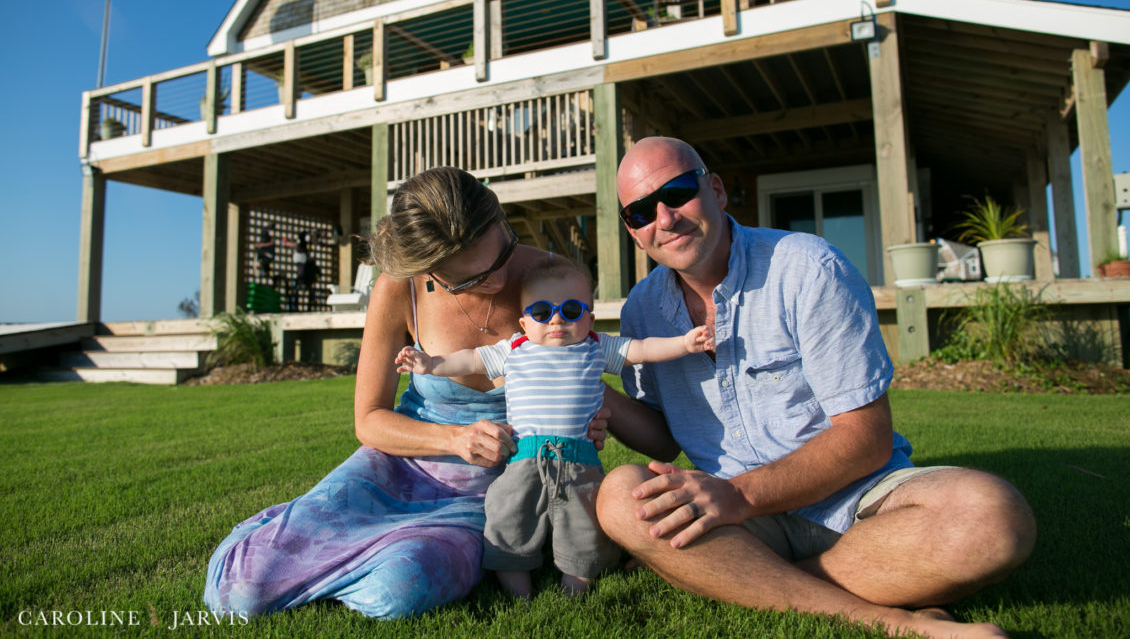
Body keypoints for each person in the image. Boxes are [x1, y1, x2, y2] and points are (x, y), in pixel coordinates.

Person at [595, 137, 1037, 639]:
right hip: (741, 519)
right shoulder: (641, 310)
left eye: (676, 192)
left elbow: (865, 438)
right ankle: (897, 618)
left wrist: (739, 495)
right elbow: (662, 439)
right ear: (633, 231)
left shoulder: (808, 268)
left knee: (994, 518)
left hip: (859, 500)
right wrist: (593, 388)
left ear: (715, 190)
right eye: (639, 212)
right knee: (620, 497)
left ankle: (735, 578)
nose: (664, 218)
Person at [204, 167, 605, 619]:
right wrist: (454, 439)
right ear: (428, 270)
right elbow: (369, 419)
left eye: (500, 257)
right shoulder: (400, 288)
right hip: (401, 464)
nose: (494, 282)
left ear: (499, 220)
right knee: (243, 592)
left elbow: (592, 378)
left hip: (499, 488)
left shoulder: (554, 282)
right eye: (468, 280)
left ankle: (372, 558)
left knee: (400, 591)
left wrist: (585, 418)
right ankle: (308, 533)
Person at [394, 256, 713, 599]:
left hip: (580, 459)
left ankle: (577, 581)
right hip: (523, 457)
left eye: (572, 310)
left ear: (589, 318)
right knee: (509, 517)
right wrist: (429, 364)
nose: (557, 319)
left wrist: (683, 344)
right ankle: (517, 585)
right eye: (542, 312)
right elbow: (469, 358)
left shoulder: (595, 346)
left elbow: (642, 348)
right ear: (523, 322)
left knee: (583, 525)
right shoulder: (514, 349)